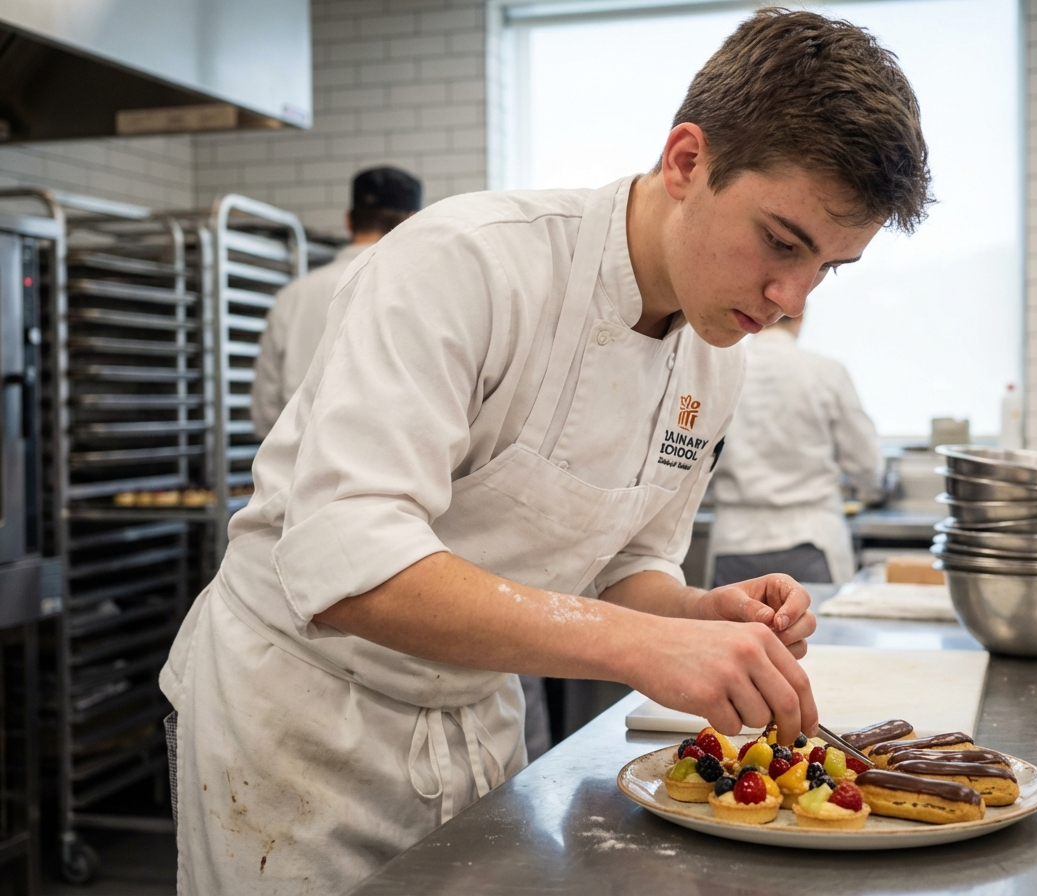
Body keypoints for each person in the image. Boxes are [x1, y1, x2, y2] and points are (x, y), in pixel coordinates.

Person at [160, 11, 931, 894]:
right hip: (299, 729)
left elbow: (624, 565)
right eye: (782, 243)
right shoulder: (469, 265)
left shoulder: (716, 359)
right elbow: (347, 561)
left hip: (475, 716)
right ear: (688, 161)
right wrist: (639, 645)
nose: (791, 298)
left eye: (830, 268)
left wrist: (693, 615)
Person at [711, 313, 883, 586]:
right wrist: (868, 490)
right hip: (811, 538)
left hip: (735, 540)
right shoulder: (826, 371)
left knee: (733, 627)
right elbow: (866, 463)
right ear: (800, 316)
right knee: (817, 628)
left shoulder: (720, 371)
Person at [250, 166, 423, 437]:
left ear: (349, 219)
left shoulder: (293, 295)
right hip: (387, 464)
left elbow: (266, 403)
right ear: (412, 220)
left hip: (298, 463)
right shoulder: (416, 291)